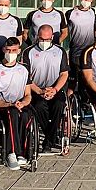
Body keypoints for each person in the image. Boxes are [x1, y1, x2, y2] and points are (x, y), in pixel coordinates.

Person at [0, 37, 32, 170]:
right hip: (2, 106)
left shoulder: (24, 69)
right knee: (12, 113)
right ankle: (11, 152)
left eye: (14, 50)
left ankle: (22, 153)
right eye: (8, 50)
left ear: (19, 51)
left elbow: (28, 94)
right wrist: (9, 104)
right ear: (3, 50)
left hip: (19, 104)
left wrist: (23, 103)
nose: (11, 53)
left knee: (25, 116)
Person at [23, 25, 69, 153]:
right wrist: (39, 91)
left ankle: (48, 140)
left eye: (47, 39)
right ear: (38, 37)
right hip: (36, 89)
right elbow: (26, 77)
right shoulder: (28, 52)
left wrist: (54, 90)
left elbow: (64, 74)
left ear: (52, 37)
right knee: (38, 107)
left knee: (59, 105)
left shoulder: (60, 51)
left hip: (55, 89)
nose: (44, 42)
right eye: (42, 39)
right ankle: (51, 137)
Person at [65, 0, 96, 90]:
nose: (86, 1)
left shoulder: (93, 12)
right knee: (72, 83)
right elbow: (64, 32)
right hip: (75, 52)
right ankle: (69, 105)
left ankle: (85, 103)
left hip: (89, 52)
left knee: (87, 81)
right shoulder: (70, 13)